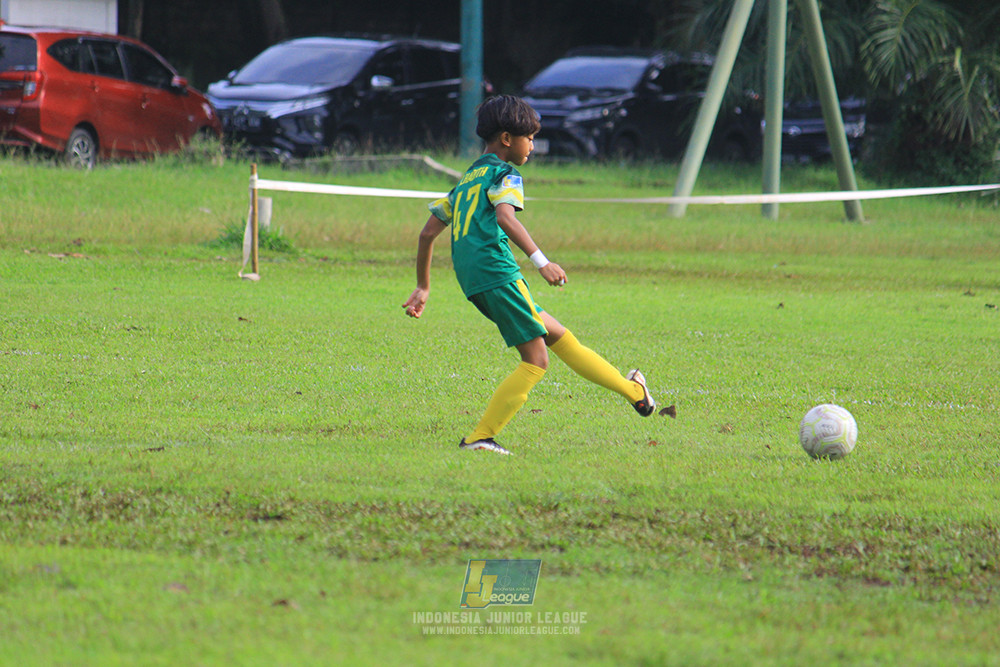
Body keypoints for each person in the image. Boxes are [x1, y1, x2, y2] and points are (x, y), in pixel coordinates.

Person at [402, 95, 655, 455]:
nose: (533, 147)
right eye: (530, 138)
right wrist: (542, 261)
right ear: (507, 138)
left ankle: (635, 392)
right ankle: (480, 437)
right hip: (498, 274)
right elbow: (506, 217)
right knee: (536, 359)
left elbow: (428, 233)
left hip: (475, 280)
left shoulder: (468, 179)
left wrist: (423, 285)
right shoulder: (506, 173)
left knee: (560, 337)